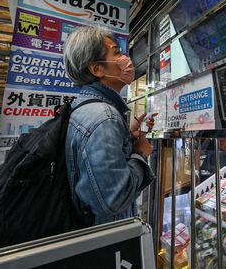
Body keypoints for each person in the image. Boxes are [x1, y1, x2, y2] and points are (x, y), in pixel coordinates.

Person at [63, 25, 157, 225]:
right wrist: (139, 154)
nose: (126, 59)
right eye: (117, 53)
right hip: (103, 239)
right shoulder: (104, 117)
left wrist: (126, 139)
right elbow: (113, 199)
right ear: (97, 68)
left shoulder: (89, 108)